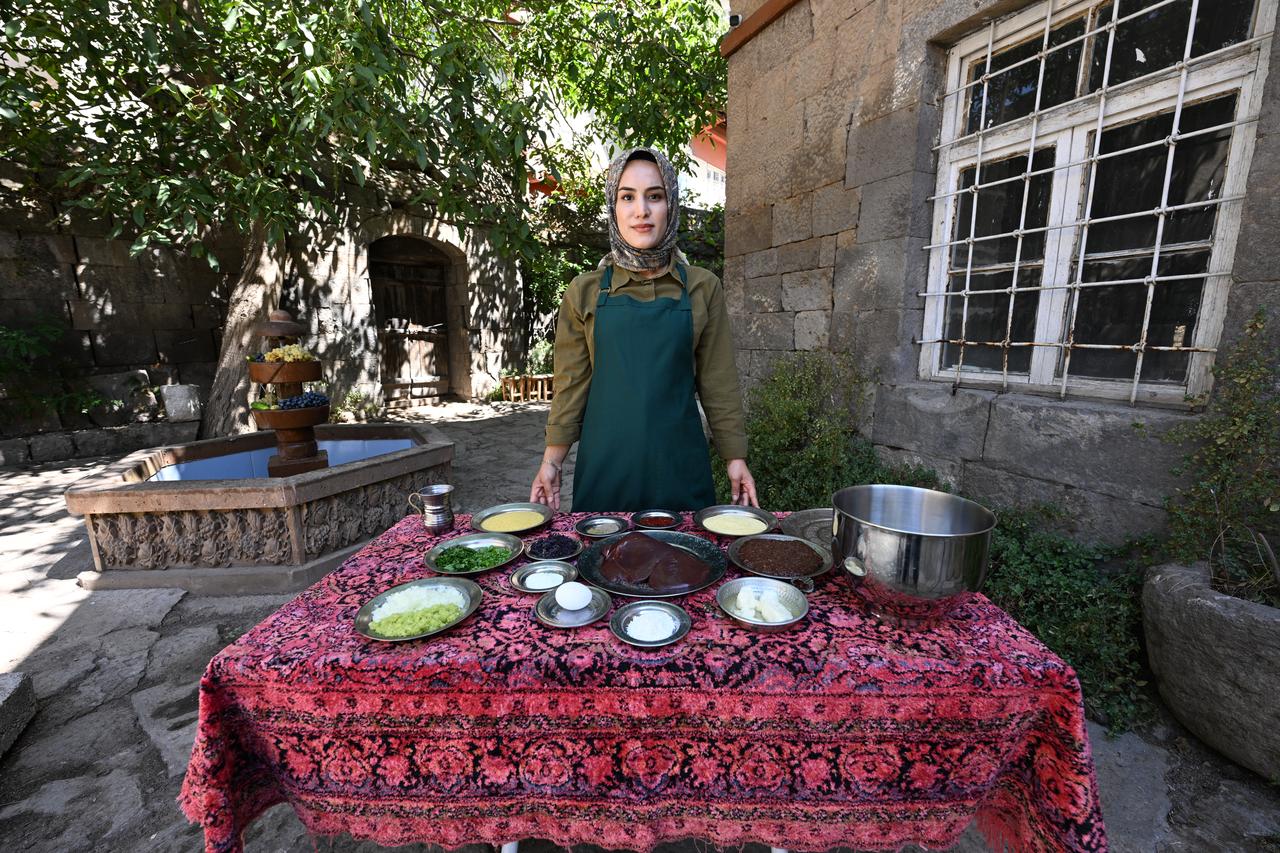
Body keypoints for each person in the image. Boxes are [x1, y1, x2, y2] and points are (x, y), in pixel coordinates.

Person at [529, 146, 759, 513]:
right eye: (627, 197)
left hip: (680, 468)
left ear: (671, 204)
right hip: (605, 470)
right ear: (613, 207)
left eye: (655, 196)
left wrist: (735, 458)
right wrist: (552, 461)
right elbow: (571, 385)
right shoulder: (584, 292)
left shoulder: (702, 287)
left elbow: (720, 384)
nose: (641, 211)